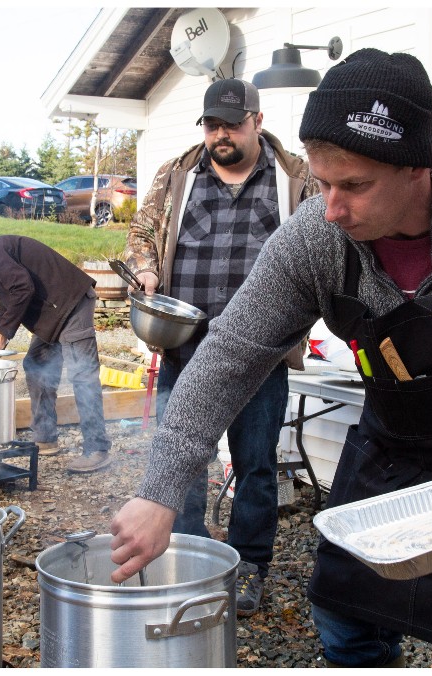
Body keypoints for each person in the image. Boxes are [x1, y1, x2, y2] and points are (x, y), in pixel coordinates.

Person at [108, 49, 432, 667]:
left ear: (416, 169)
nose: (331, 208)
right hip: (393, 450)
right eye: (323, 180)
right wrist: (162, 488)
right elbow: (230, 352)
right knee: (341, 613)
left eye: (354, 186)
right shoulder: (318, 234)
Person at [122, 77, 318, 616]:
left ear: (257, 120)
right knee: (180, 457)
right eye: (212, 125)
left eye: (232, 124)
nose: (220, 135)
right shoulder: (178, 173)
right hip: (186, 345)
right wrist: (144, 271)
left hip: (262, 354)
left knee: (256, 465)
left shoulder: (295, 178)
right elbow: (141, 235)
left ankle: (249, 566)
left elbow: (327, 243)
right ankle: (184, 555)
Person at [0, 235, 112, 474]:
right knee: (36, 364)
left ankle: (97, 449)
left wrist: (3, 332)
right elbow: (10, 299)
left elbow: (22, 287)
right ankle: (45, 437)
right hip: (55, 314)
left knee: (82, 375)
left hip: (72, 305)